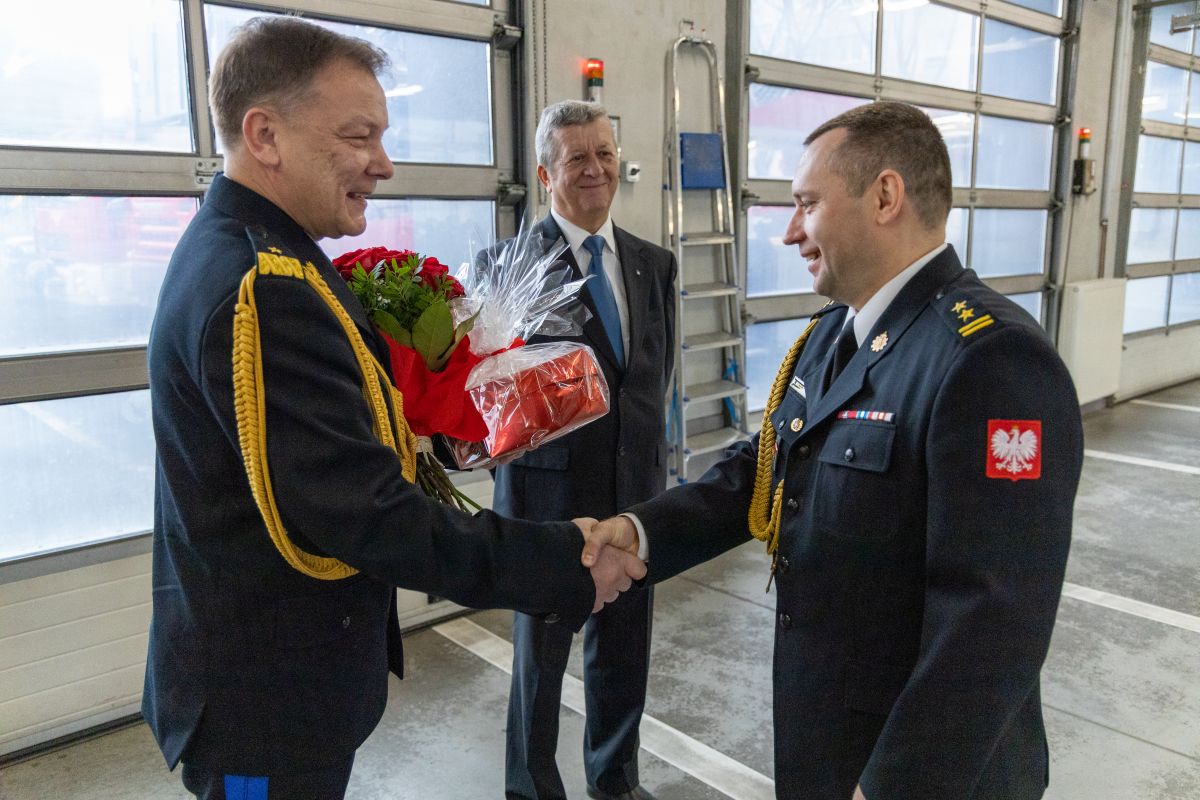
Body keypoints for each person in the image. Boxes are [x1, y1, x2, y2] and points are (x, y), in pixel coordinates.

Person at [143, 17, 643, 800]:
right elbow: (367, 514)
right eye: (359, 136)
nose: (384, 162)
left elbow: (338, 443)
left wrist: (464, 425)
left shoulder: (270, 257)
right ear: (266, 135)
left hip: (277, 681)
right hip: (267, 704)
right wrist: (560, 559)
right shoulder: (265, 288)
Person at [580, 101, 1085, 800]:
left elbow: (993, 618)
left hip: (916, 768)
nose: (790, 232)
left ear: (885, 196)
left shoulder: (988, 359)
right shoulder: (831, 335)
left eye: (807, 205)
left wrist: (895, 787)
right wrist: (640, 533)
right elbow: (762, 472)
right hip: (826, 735)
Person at [492, 100, 676, 800]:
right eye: (577, 158)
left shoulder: (654, 265)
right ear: (546, 174)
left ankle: (615, 780)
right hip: (548, 499)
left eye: (605, 153)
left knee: (624, 650)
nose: (595, 169)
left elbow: (651, 380)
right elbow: (492, 395)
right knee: (541, 659)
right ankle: (531, 788)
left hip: (635, 495)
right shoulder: (507, 265)